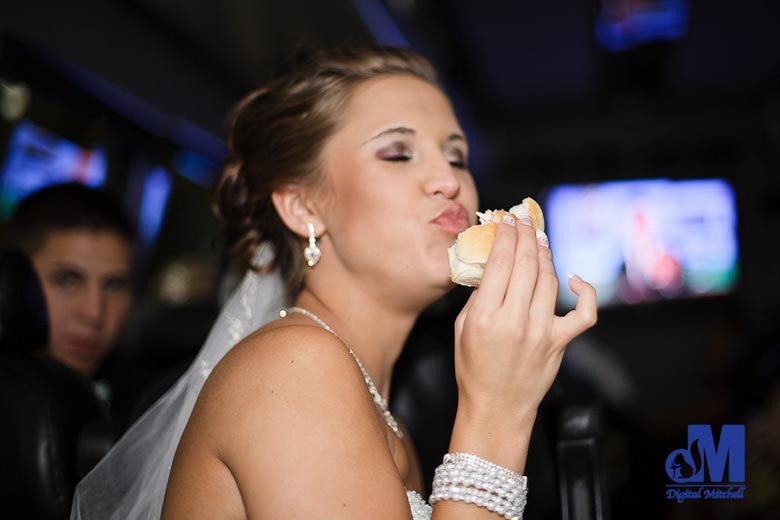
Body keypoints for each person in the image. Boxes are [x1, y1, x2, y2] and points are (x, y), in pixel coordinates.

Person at [72, 44, 597, 519]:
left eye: (457, 155)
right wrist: (499, 411)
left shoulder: (368, 401)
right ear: (303, 207)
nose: (451, 181)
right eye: (397, 153)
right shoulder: (294, 369)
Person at [5, 182, 134, 379]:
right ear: (13, 281)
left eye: (114, 286)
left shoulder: (143, 397)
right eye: (66, 281)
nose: (94, 313)